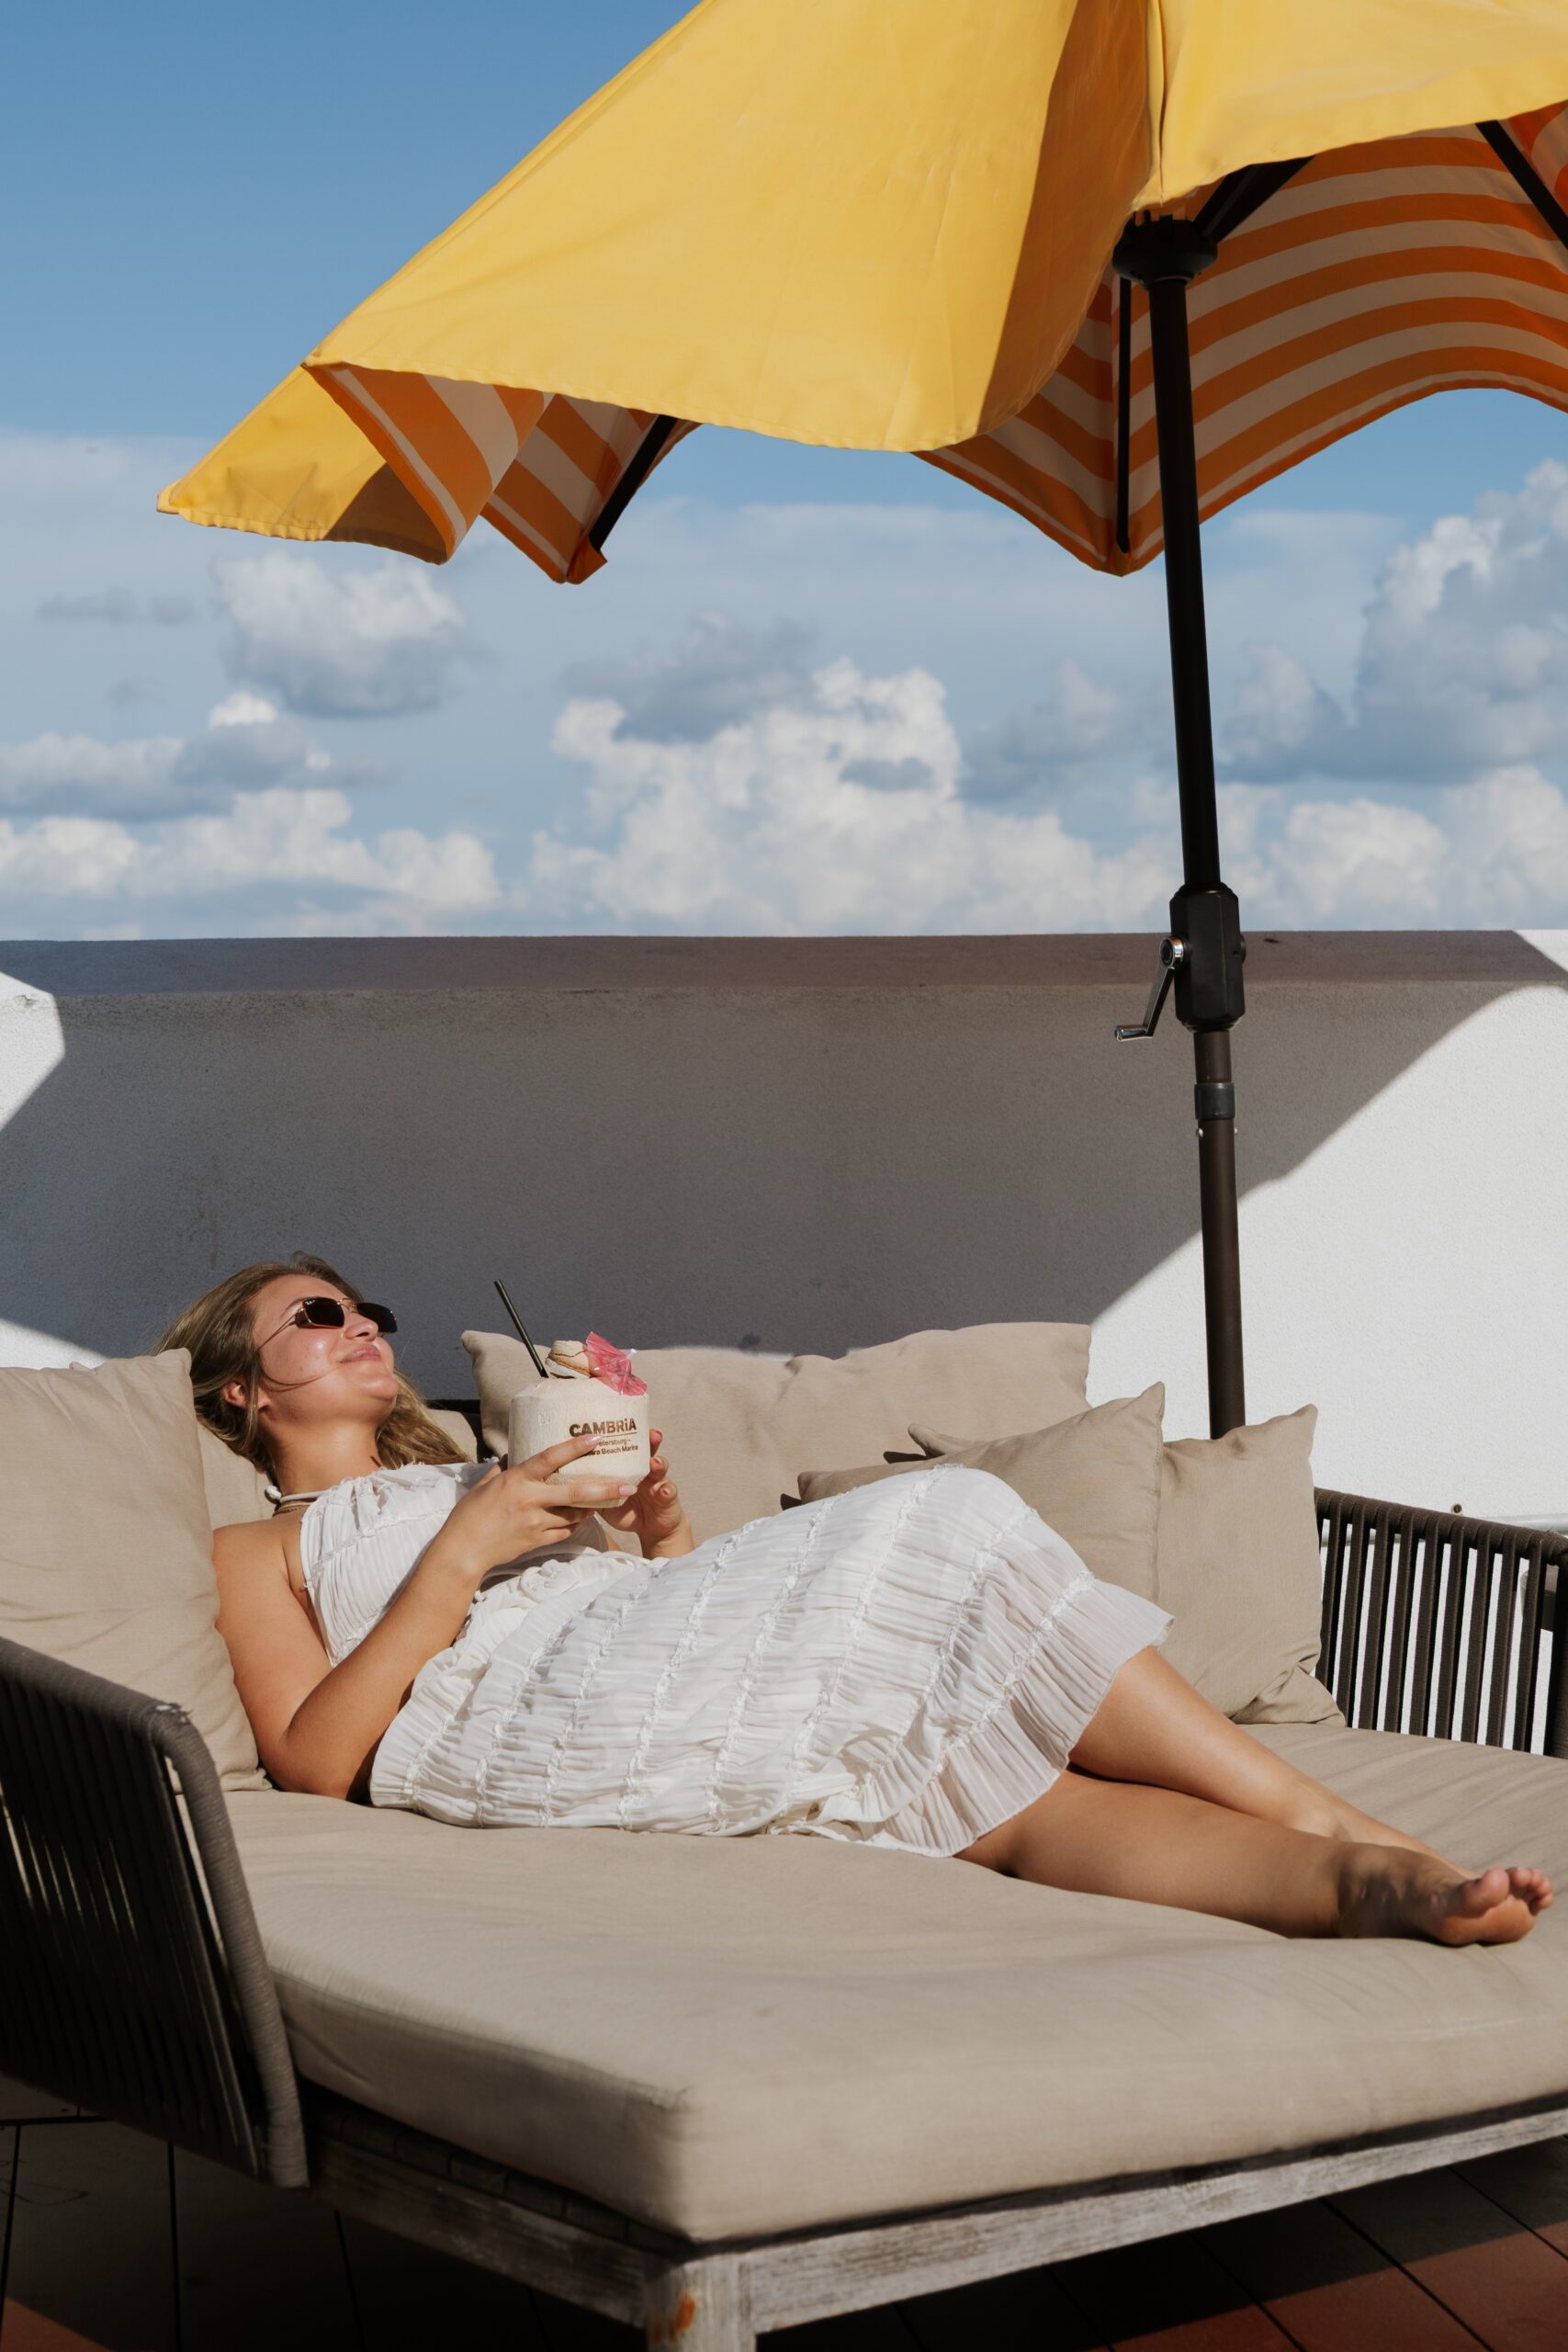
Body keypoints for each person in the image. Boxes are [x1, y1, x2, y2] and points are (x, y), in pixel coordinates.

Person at [162, 1255, 1553, 1948]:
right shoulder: (258, 1546)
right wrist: (461, 1554)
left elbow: (638, 1612)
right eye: (318, 1318)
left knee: (1010, 1807)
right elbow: (315, 1757)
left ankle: (1368, 1886)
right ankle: (1330, 1819)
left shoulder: (482, 1464)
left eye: (366, 1314)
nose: (365, 1333)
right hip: (504, 1725)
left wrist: (654, 1522)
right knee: (952, 1515)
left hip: (630, 1664)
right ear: (241, 1384)